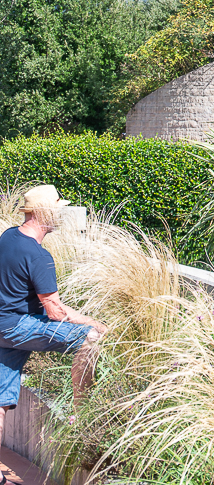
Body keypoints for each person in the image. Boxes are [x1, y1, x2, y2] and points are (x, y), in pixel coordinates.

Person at [0, 186, 107, 450]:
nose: (60, 214)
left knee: (0, 403)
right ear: (44, 212)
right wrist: (94, 323)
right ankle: (82, 415)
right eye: (57, 209)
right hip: (16, 327)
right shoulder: (39, 256)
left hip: (2, 328)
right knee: (91, 338)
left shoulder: (8, 236)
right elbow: (55, 312)